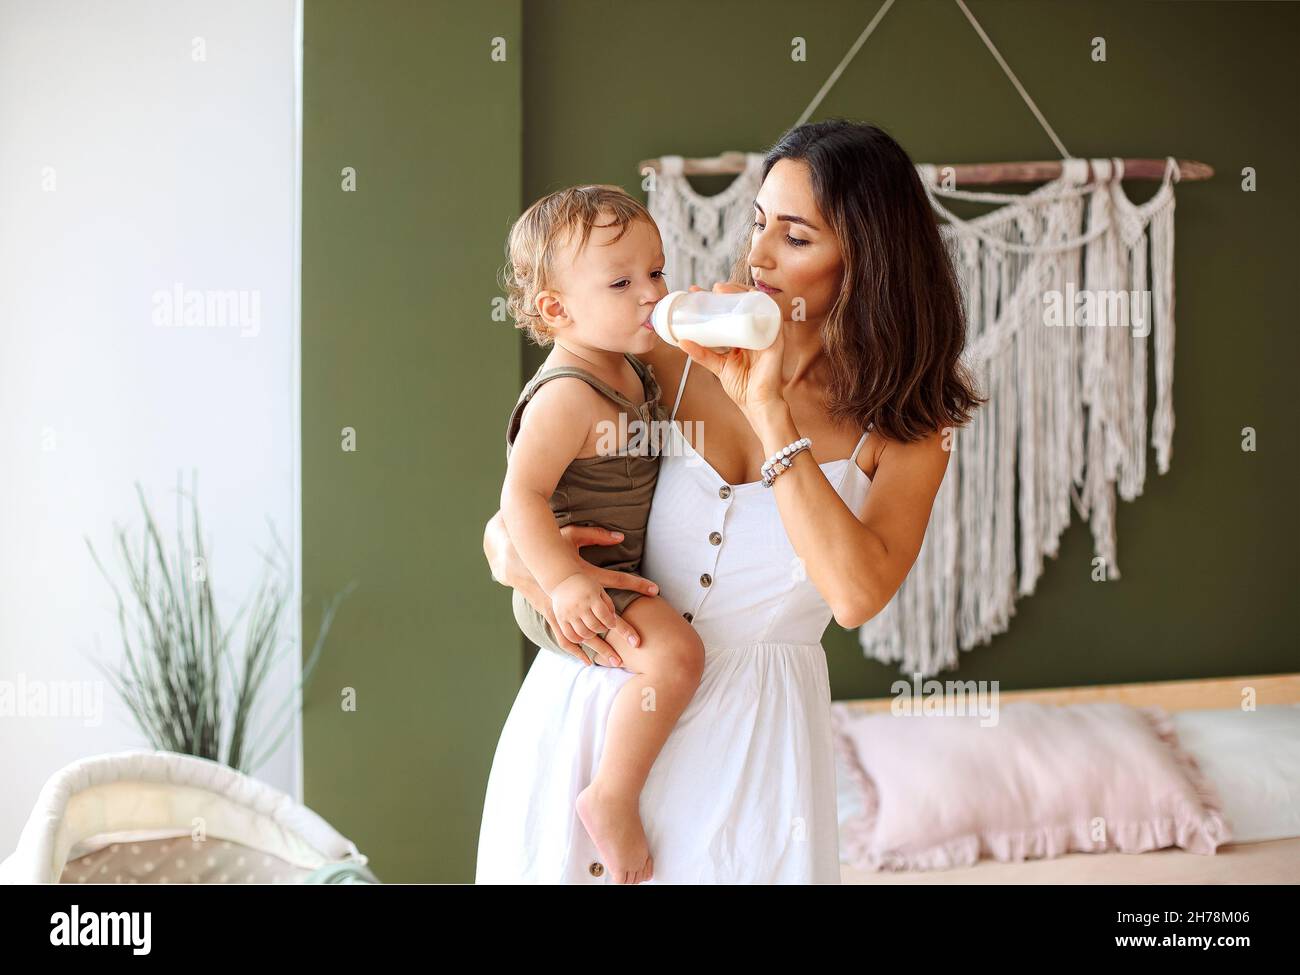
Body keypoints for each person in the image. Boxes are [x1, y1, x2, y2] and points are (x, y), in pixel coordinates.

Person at [477, 119, 985, 884]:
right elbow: (531, 491)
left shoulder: (913, 425)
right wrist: (520, 558)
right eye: (757, 223)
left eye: (796, 236)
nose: (757, 256)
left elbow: (855, 594)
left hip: (755, 755)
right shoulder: (675, 351)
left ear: (867, 258)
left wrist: (769, 408)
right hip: (594, 716)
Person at [498, 184, 706, 884]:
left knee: (671, 653)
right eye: (621, 282)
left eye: (656, 271)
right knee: (675, 656)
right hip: (575, 581)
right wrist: (561, 579)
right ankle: (611, 796)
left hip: (599, 576)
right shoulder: (567, 393)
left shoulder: (629, 367)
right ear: (557, 309)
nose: (650, 292)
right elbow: (519, 497)